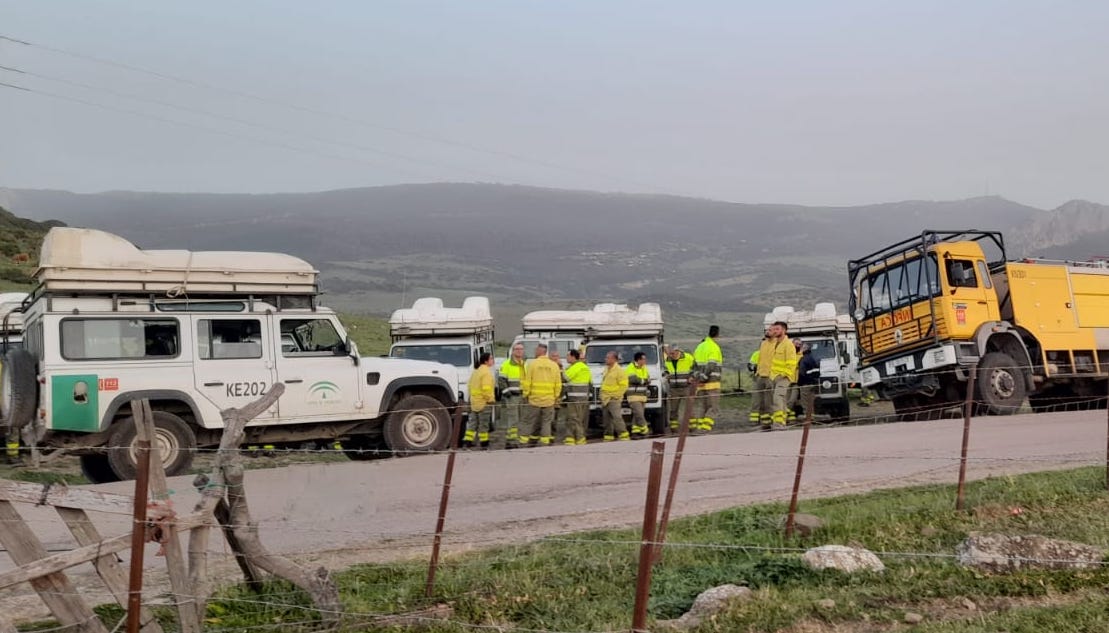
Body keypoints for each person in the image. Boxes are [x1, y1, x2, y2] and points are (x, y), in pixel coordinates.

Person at [757, 321, 798, 428]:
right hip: (773, 376)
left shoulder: (788, 345)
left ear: (784, 330)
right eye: (774, 329)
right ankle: (781, 421)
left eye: (777, 329)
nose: (775, 331)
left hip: (783, 377)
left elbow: (792, 362)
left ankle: (778, 422)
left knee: (778, 398)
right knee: (780, 399)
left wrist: (785, 374)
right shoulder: (775, 344)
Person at [520, 343, 561, 446]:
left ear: (540, 351)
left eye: (536, 350)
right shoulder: (554, 365)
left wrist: (525, 394)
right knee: (546, 422)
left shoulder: (532, 364)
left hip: (534, 399)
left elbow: (527, 382)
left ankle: (523, 441)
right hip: (549, 400)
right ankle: (545, 441)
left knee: (529, 421)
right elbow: (558, 384)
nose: (535, 352)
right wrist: (556, 397)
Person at [692, 325, 723, 434]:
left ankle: (700, 428)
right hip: (712, 383)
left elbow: (694, 366)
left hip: (700, 385)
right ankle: (705, 428)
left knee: (703, 407)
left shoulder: (699, 347)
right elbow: (711, 365)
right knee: (713, 408)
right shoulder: (714, 347)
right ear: (717, 334)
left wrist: (699, 378)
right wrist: (704, 377)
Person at [463, 352, 495, 449]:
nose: (493, 360)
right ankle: (484, 443)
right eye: (491, 358)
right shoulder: (486, 373)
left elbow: (469, 386)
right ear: (486, 361)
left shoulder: (475, 372)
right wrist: (491, 400)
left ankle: (467, 442)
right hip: (484, 403)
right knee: (483, 425)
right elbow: (486, 389)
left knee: (472, 424)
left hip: (474, 402)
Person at [497, 343, 527, 448]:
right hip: (512, 397)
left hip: (522, 396)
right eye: (517, 349)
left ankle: (513, 439)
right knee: (513, 420)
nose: (519, 351)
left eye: (521, 349)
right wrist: (507, 393)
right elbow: (501, 380)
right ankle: (511, 441)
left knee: (519, 419)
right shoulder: (506, 364)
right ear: (513, 351)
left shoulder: (524, 364)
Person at [562, 349, 592, 445]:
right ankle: (570, 437)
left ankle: (580, 438)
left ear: (573, 356)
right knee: (577, 418)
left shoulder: (576, 367)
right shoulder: (584, 367)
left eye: (568, 356)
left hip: (575, 398)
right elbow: (590, 383)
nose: (566, 358)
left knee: (574, 418)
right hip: (583, 398)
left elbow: (565, 378)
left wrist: (560, 369)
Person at [600, 350, 630, 441]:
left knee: (617, 417)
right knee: (606, 419)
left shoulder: (619, 371)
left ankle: (623, 435)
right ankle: (608, 436)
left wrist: (616, 396)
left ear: (614, 359)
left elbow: (624, 386)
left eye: (607, 358)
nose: (605, 359)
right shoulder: (606, 369)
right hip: (605, 398)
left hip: (614, 398)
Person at [665, 346, 696, 432]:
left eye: (672, 353)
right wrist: (666, 376)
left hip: (686, 387)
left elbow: (696, 368)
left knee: (689, 408)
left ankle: (692, 427)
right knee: (673, 410)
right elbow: (664, 370)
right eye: (670, 353)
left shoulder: (688, 357)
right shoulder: (667, 360)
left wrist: (692, 377)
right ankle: (674, 429)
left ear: (677, 351)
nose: (671, 355)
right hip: (673, 389)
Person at [747, 329, 770, 424]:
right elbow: (750, 365)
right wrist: (754, 367)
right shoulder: (756, 354)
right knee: (756, 399)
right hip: (757, 378)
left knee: (766, 400)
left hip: (768, 378)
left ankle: (765, 419)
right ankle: (754, 420)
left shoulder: (771, 353)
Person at [625, 351, 651, 438]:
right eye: (643, 359)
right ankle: (645, 430)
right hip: (633, 396)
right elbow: (633, 379)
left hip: (642, 396)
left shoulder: (644, 367)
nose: (645, 361)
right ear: (638, 360)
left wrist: (644, 380)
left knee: (637, 415)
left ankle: (635, 432)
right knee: (639, 414)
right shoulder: (630, 367)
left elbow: (648, 378)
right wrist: (643, 381)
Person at [797, 343, 820, 419]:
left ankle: (807, 417)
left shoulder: (803, 359)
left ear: (805, 349)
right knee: (811, 401)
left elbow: (801, 373)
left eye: (802, 348)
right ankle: (811, 415)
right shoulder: (813, 358)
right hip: (813, 384)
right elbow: (817, 372)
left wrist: (799, 383)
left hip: (805, 384)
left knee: (805, 401)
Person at [786, 339, 804, 422]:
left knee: (792, 400)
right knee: (786, 400)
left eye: (799, 344)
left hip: (796, 382)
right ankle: (790, 418)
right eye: (796, 343)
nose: (797, 345)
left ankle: (784, 414)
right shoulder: (787, 354)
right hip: (787, 380)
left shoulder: (802, 356)